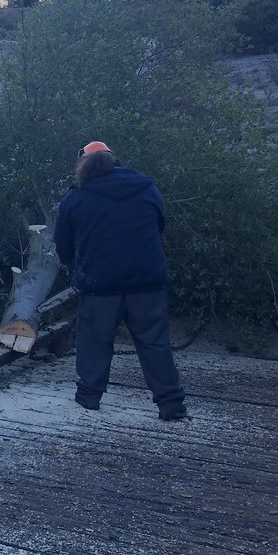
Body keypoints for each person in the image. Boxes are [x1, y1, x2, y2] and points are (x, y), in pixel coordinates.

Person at [54, 141, 187, 420]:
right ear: (114, 160)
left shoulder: (76, 198)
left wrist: (74, 265)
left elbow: (63, 245)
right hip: (146, 282)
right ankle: (171, 404)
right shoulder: (146, 188)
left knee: (94, 342)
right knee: (154, 343)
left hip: (99, 285)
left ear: (83, 165)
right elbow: (159, 225)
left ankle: (88, 398)